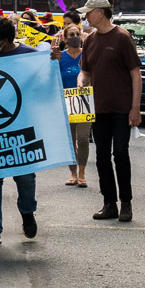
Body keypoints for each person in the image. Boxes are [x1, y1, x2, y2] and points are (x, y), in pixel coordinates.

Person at [0, 16, 60, 247]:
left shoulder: (28, 55)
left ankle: (27, 212)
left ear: (5, 40)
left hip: (22, 125)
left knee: (25, 177)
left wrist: (53, 64)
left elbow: (44, 88)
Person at [77, 0, 142, 223]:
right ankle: (109, 203)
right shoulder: (90, 40)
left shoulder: (122, 37)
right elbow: (84, 70)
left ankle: (126, 203)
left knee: (120, 154)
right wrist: (81, 81)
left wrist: (135, 108)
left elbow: (135, 73)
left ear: (101, 12)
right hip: (99, 107)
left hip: (122, 108)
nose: (85, 17)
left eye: (89, 12)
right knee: (102, 156)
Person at [59, 24, 91, 188]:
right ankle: (72, 173)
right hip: (66, 103)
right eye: (71, 35)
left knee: (84, 138)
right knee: (70, 141)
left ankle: (82, 173)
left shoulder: (88, 55)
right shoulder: (61, 57)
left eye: (77, 34)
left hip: (85, 102)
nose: (75, 37)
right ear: (65, 39)